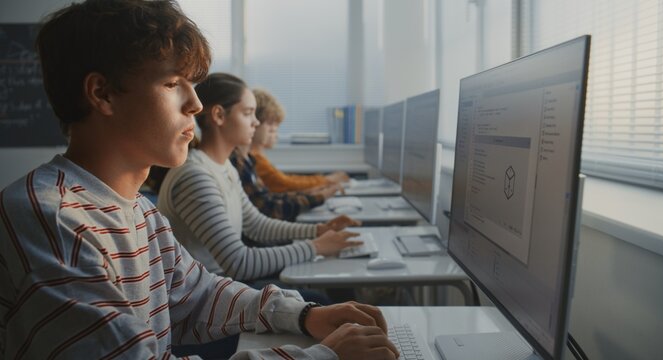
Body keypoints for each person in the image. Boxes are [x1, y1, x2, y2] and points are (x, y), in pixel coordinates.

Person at [0, 1, 399, 359]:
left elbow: (198, 294)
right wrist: (321, 356)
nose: (196, 104)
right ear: (102, 94)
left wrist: (304, 314)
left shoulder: (138, 208)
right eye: (173, 84)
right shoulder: (56, 220)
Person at [158, 73, 361, 283]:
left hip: (222, 288)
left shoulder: (224, 166)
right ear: (219, 116)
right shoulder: (196, 177)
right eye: (248, 113)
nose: (255, 122)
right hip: (207, 299)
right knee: (323, 298)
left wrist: (319, 230)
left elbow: (257, 225)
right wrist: (315, 246)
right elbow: (239, 263)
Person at [249, 88, 349, 193]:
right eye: (270, 123)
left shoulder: (258, 155)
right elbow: (285, 183)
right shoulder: (253, 157)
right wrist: (327, 180)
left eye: (276, 125)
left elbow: (284, 180)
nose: (274, 130)